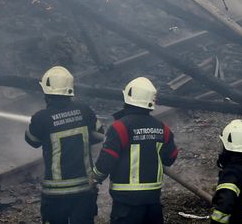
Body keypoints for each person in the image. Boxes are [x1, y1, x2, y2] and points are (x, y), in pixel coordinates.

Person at [92, 76, 179, 224]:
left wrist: (94, 178)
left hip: (126, 202)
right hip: (152, 200)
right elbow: (171, 157)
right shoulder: (161, 128)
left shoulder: (119, 127)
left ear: (127, 98)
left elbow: (107, 159)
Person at [25, 66, 102, 224]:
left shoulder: (41, 118)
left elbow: (32, 141)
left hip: (55, 194)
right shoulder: (84, 110)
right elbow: (99, 135)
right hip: (84, 189)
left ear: (46, 92)